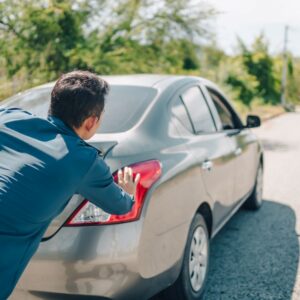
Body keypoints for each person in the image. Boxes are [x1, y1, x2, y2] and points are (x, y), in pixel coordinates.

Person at [0, 70, 140, 299]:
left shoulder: (8, 118)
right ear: (91, 121)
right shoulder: (83, 159)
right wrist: (129, 193)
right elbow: (121, 206)